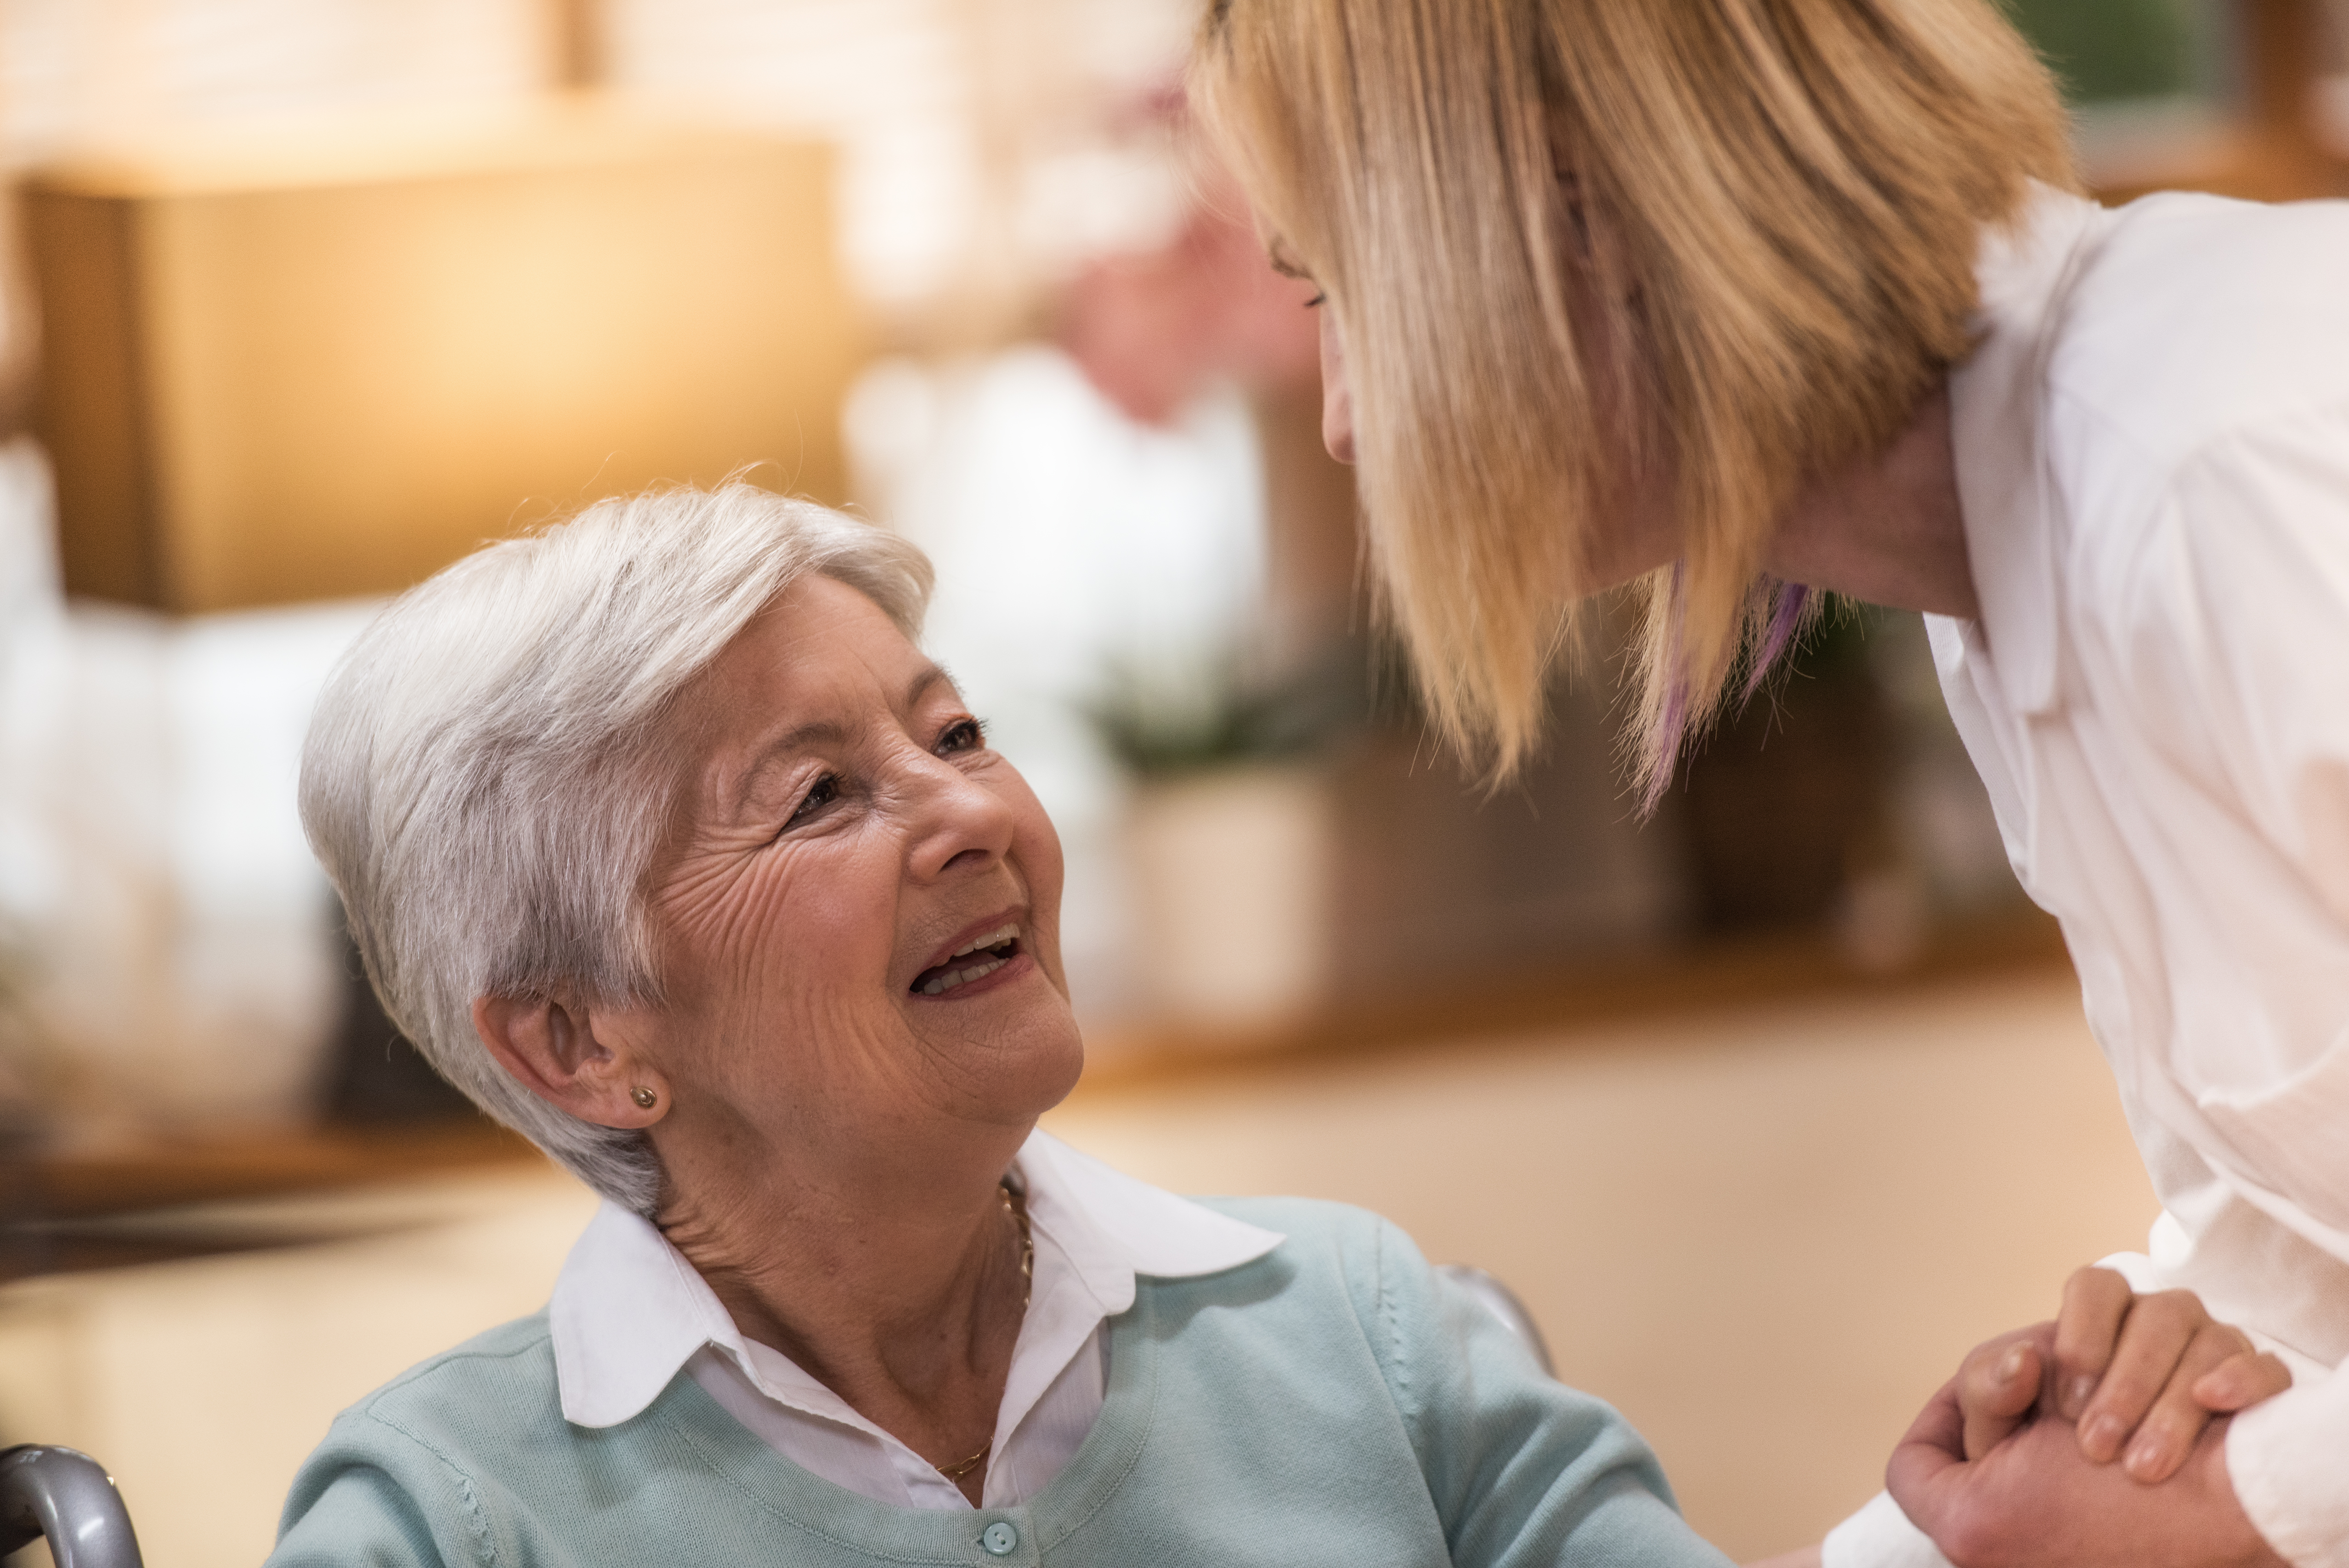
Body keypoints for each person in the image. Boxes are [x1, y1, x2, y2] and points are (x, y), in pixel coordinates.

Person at [1188, 2, 2349, 1566]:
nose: (1337, 418)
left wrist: (2227, 1504)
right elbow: (2292, 1261)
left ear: (1572, 215)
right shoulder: (2014, 580)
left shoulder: (2215, 477)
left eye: (1340, 288)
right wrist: (2136, 1413)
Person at [273, 483, 1753, 1568]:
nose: (973, 814)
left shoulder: (1356, 1330)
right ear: (578, 1044)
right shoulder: (445, 1523)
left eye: (954, 734)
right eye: (818, 798)